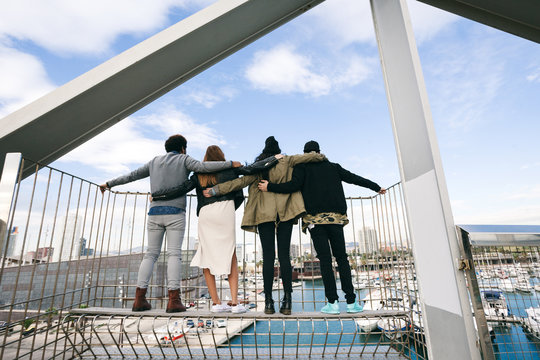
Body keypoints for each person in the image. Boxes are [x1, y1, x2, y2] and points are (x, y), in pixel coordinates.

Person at [99, 134, 241, 313]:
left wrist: (109, 184)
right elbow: (204, 167)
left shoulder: (154, 162)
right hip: (175, 213)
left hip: (154, 213)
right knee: (174, 255)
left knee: (150, 254)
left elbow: (132, 175)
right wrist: (230, 164)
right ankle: (173, 301)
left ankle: (139, 299)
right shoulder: (184, 159)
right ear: (183, 148)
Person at [258, 140, 386, 314]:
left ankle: (332, 304)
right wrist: (376, 187)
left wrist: (269, 186)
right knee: (342, 258)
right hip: (336, 220)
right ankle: (351, 303)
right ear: (319, 152)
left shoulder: (301, 169)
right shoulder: (334, 167)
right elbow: (355, 179)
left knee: (325, 260)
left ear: (305, 154)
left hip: (315, 222)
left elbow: (292, 186)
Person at [151, 145, 282, 314]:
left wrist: (157, 195)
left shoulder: (199, 174)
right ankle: (235, 303)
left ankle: (216, 303)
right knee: (231, 255)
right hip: (225, 211)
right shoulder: (230, 169)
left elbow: (181, 189)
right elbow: (252, 168)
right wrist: (274, 158)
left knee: (206, 256)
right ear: (222, 156)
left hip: (206, 214)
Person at [202, 136, 325, 315]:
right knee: (284, 257)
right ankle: (288, 301)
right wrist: (320, 156)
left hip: (264, 215)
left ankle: (268, 302)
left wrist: (215, 190)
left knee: (268, 257)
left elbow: (239, 182)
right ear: (278, 150)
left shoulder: (258, 167)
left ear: (264, 151)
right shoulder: (287, 160)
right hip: (285, 214)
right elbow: (310, 157)